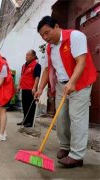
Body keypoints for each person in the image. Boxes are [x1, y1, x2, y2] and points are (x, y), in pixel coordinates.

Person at [35, 16, 97, 168]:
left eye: (47, 33)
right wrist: (40, 88)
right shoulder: (50, 47)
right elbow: (48, 68)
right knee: (61, 118)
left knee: (77, 119)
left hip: (80, 84)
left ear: (57, 26)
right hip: (62, 85)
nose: (45, 37)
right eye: (42, 35)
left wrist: (72, 82)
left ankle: (77, 155)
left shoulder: (75, 36)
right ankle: (65, 146)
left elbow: (81, 62)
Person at [17, 50, 41, 127]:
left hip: (31, 89)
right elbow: (22, 76)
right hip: (24, 88)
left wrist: (34, 87)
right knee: (24, 105)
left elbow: (37, 77)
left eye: (28, 55)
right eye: (26, 55)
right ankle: (25, 120)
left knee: (30, 106)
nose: (26, 56)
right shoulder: (24, 65)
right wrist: (19, 85)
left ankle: (30, 122)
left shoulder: (36, 65)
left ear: (33, 56)